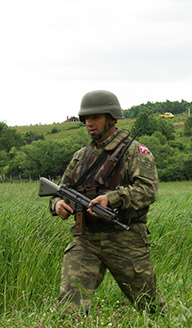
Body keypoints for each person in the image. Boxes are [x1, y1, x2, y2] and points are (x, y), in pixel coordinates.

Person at [49, 90, 162, 314]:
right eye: (86, 119)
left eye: (96, 118)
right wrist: (57, 205)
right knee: (69, 307)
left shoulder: (135, 152)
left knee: (149, 307)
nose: (89, 123)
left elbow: (148, 190)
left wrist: (111, 199)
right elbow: (59, 191)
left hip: (125, 239)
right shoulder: (81, 156)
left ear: (111, 118)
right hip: (86, 239)